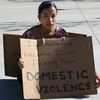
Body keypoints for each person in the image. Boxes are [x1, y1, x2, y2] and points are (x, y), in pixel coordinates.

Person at [17, 1, 100, 100]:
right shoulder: (29, 34)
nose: (50, 20)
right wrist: (22, 63)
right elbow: (24, 57)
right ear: (39, 18)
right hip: (38, 71)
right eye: (46, 16)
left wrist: (93, 73)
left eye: (53, 16)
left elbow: (75, 55)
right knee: (21, 76)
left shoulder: (61, 33)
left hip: (57, 71)